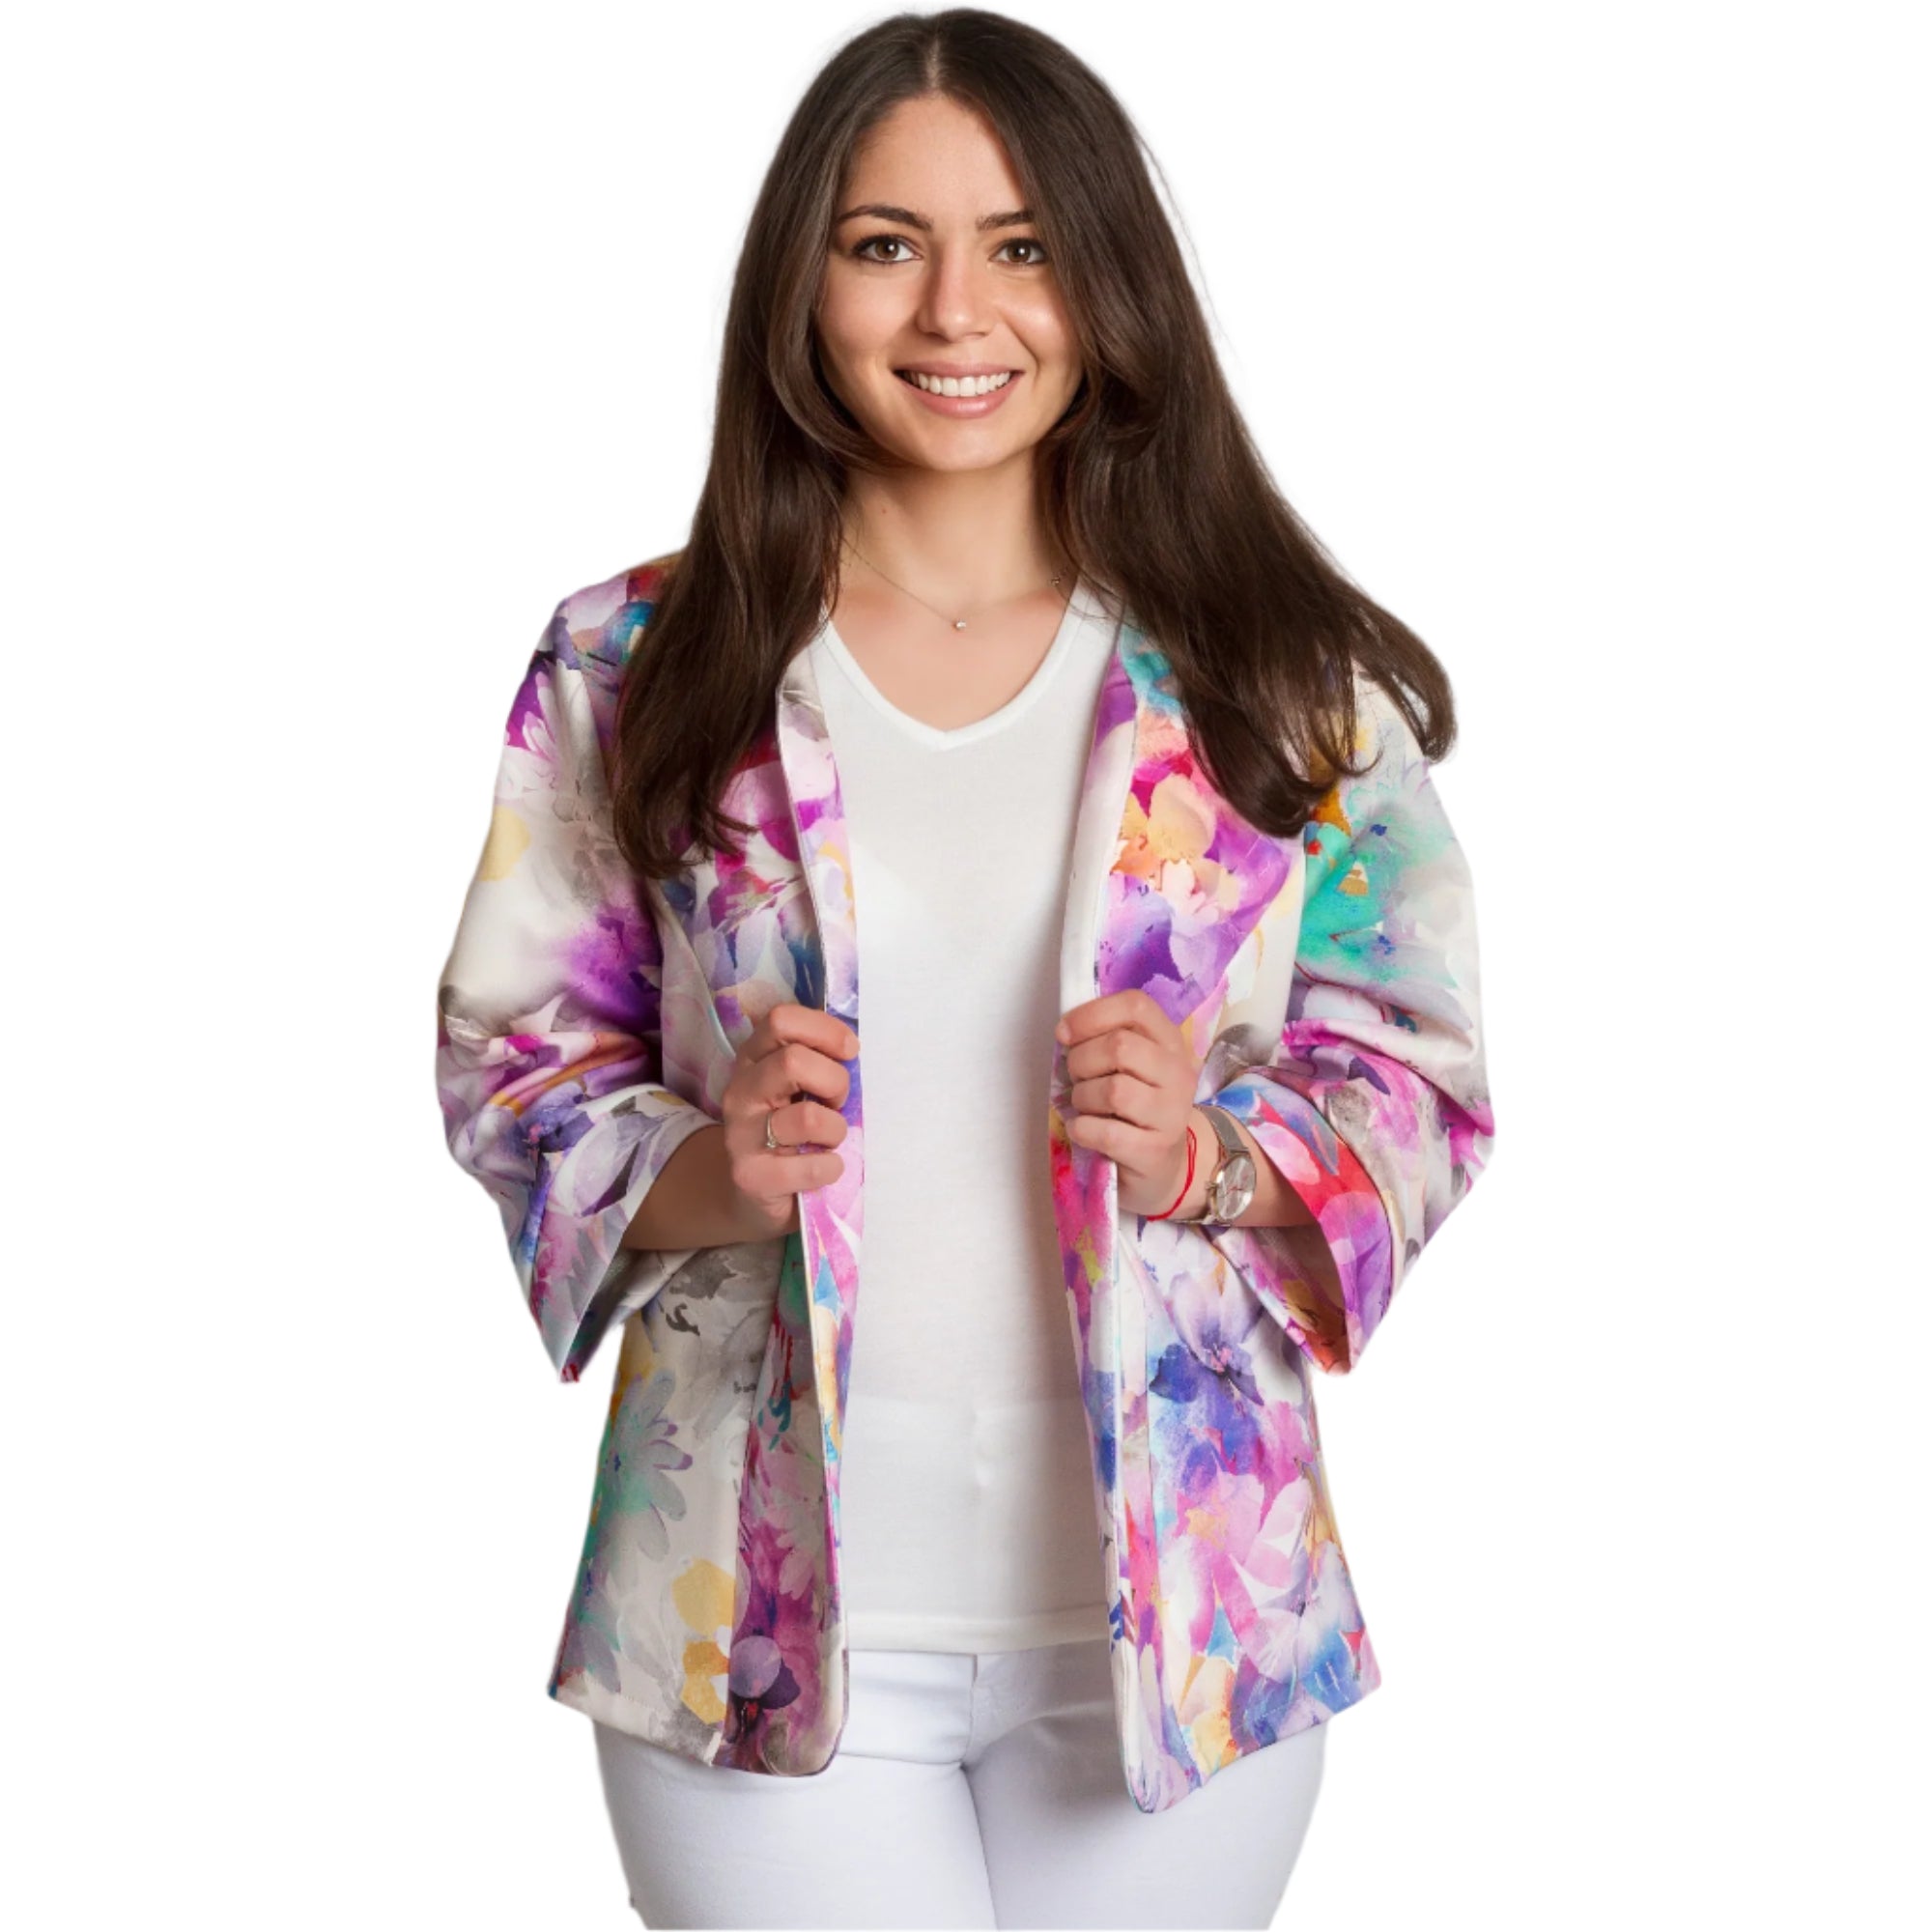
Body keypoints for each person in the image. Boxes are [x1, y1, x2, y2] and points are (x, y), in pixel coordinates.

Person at [434, 9, 1495, 1928]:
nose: (954, 311)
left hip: (1187, 1616)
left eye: (1021, 246)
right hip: (750, 1621)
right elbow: (519, 1065)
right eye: (884, 244)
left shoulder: (1270, 677)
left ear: (1105, 283)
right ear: (804, 282)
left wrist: (1210, 1156)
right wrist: (713, 1163)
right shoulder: (635, 666)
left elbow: (1416, 1065)